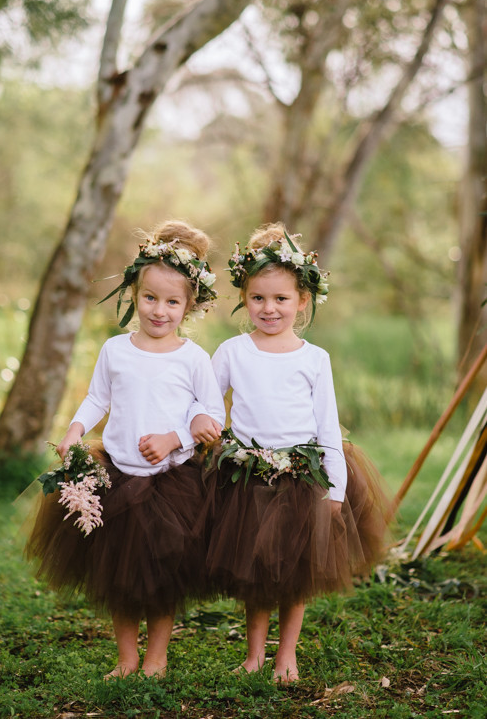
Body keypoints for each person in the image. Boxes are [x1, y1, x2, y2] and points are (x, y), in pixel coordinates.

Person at [25, 221, 225, 680]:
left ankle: (156, 658)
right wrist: (75, 430)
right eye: (150, 298)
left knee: (163, 577)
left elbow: (211, 415)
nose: (160, 310)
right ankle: (127, 658)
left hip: (170, 486)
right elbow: (98, 398)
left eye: (172, 302)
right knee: (118, 575)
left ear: (189, 305)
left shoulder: (192, 358)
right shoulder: (116, 350)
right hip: (115, 477)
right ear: (134, 293)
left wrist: (174, 438)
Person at [203, 223, 389, 686]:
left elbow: (327, 422)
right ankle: (253, 655)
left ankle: (286, 654)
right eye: (258, 298)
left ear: (302, 300)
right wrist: (201, 428)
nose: (269, 309)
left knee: (296, 571)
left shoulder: (313, 358)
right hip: (248, 476)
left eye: (281, 299)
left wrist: (335, 486)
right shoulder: (232, 351)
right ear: (244, 298)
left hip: (302, 476)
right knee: (256, 569)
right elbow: (205, 401)